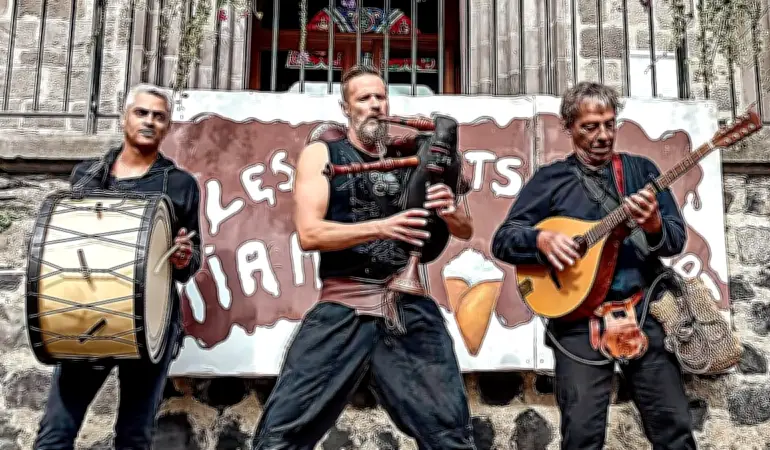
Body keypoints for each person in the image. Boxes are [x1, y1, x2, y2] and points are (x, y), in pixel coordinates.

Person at [250, 64, 477, 450]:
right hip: (344, 306)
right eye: (364, 98)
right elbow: (310, 234)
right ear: (346, 107)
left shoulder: (412, 156)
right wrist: (383, 227)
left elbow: (464, 230)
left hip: (407, 308)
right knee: (280, 437)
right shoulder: (323, 154)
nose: (375, 105)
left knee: (451, 436)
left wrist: (453, 211)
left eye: (380, 96)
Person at [491, 81, 697, 449]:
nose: (603, 135)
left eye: (609, 124)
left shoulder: (641, 172)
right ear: (569, 127)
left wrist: (652, 225)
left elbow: (676, 239)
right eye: (590, 126)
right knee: (582, 436)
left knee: (674, 429)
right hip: (577, 323)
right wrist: (539, 240)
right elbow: (504, 239)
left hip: (642, 312)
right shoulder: (550, 181)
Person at [34, 83, 203, 450]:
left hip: (150, 326)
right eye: (142, 113)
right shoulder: (87, 176)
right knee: (54, 435)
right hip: (85, 317)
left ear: (168, 126)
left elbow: (192, 262)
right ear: (124, 117)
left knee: (134, 436)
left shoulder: (180, 185)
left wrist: (183, 258)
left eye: (159, 116)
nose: (150, 121)